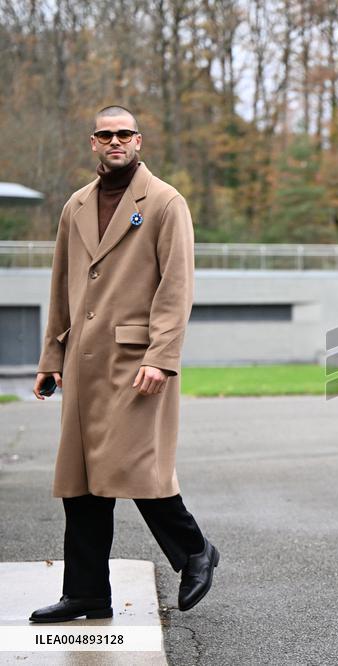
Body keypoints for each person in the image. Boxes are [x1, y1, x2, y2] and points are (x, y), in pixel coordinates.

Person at [29, 105, 219, 623]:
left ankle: (195, 550)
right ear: (94, 142)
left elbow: (176, 287)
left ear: (139, 140)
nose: (116, 141)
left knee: (135, 468)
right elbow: (62, 286)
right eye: (106, 135)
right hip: (83, 361)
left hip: (138, 363)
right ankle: (87, 592)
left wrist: (162, 356)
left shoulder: (163, 202)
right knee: (82, 480)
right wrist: (52, 355)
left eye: (125, 134)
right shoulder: (76, 205)